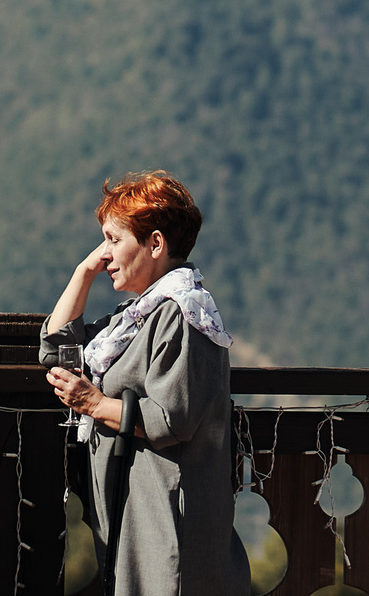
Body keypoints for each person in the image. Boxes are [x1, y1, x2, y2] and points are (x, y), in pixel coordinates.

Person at [44, 171, 249, 596]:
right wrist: (83, 272)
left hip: (168, 517)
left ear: (155, 244)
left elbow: (171, 419)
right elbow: (57, 349)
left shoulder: (183, 314)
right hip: (138, 511)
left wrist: (94, 404)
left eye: (113, 240)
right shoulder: (137, 316)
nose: (105, 254)